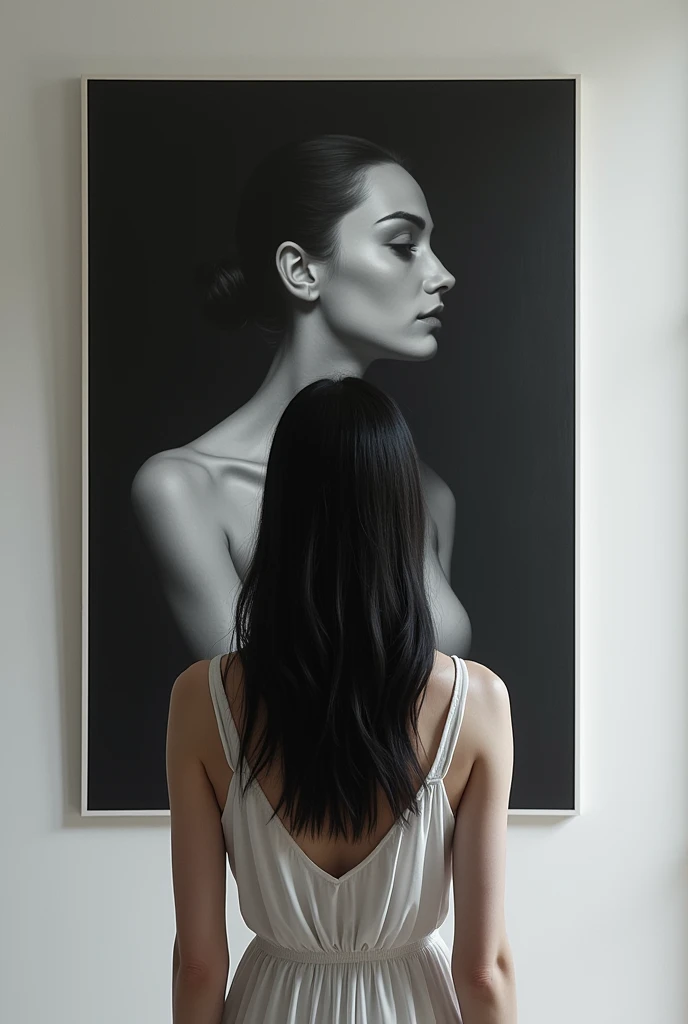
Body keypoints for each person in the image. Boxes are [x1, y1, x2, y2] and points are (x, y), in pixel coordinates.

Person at [165, 377, 517, 1023]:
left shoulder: (203, 697)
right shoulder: (477, 700)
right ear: (404, 510)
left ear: (280, 511)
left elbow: (199, 963)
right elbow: (482, 970)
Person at [131, 134, 472, 662]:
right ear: (301, 270)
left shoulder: (429, 496)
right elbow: (244, 714)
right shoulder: (184, 489)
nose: (441, 275)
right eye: (404, 245)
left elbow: (442, 710)